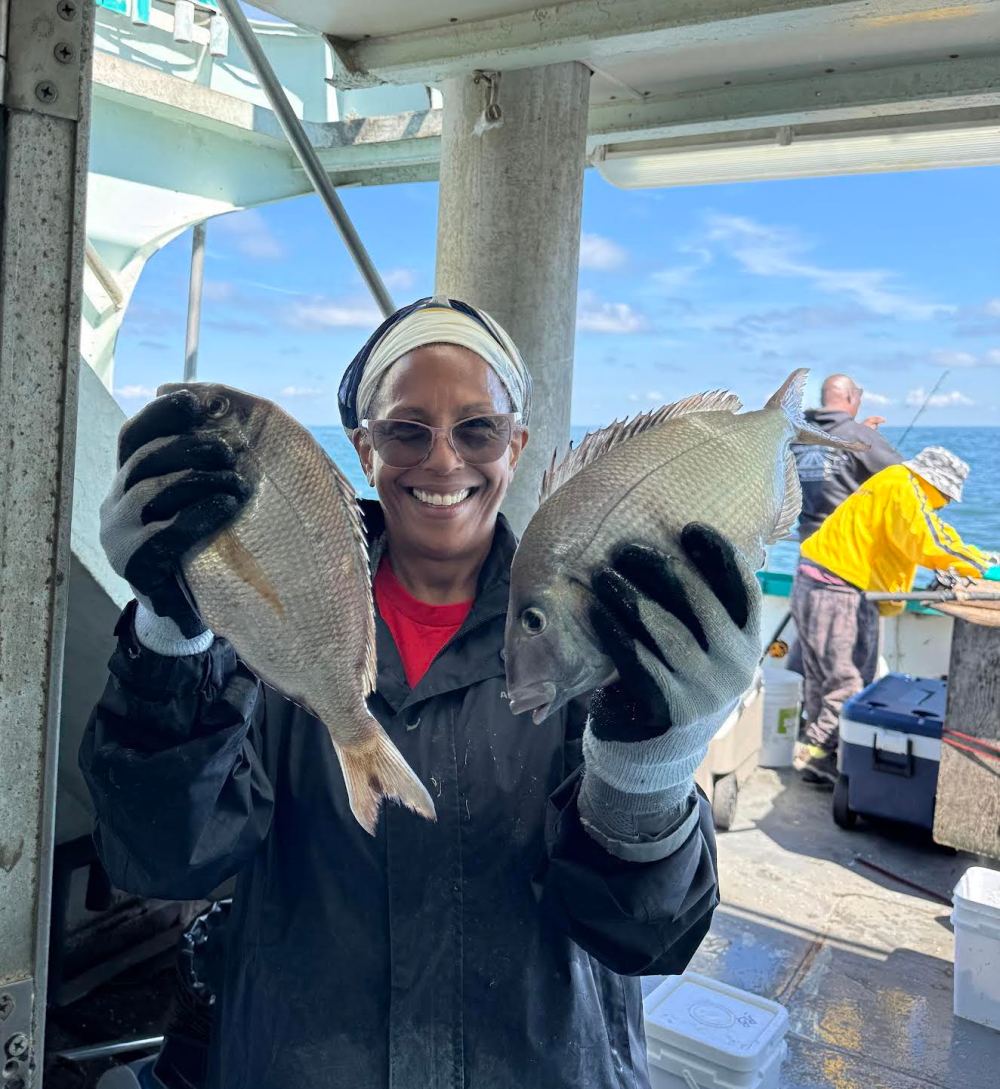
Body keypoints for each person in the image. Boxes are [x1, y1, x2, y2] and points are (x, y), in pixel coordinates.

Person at [81, 296, 762, 1089]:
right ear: (364, 449)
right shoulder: (266, 616)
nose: (443, 462)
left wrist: (655, 761)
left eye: (476, 428)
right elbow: (161, 855)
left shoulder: (591, 628)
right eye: (407, 430)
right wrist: (170, 632)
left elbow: (648, 937)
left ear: (517, 445)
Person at [791, 446, 994, 784]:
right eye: (944, 497)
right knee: (851, 682)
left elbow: (926, 532)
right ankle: (828, 754)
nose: (942, 504)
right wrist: (983, 565)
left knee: (821, 676)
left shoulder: (892, 481)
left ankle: (819, 754)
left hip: (815, 583)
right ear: (938, 484)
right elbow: (927, 540)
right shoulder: (905, 488)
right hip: (840, 593)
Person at [792, 373, 901, 541]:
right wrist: (863, 436)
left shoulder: (796, 438)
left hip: (809, 545)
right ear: (850, 396)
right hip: (847, 547)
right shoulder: (859, 436)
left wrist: (859, 433)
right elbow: (906, 477)